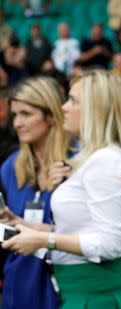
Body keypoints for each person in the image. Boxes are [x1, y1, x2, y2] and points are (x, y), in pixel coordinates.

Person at [2, 71, 121, 308]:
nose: (63, 107)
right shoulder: (94, 158)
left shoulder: (106, 160)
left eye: (73, 100)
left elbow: (110, 243)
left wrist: (42, 239)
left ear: (95, 109)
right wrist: (22, 224)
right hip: (82, 289)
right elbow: (80, 229)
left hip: (99, 291)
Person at [0, 77, 71, 309]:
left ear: (51, 115)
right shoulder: (11, 167)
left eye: (26, 114)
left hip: (63, 283)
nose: (17, 123)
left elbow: (89, 233)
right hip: (18, 282)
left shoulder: (75, 163)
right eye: (15, 115)